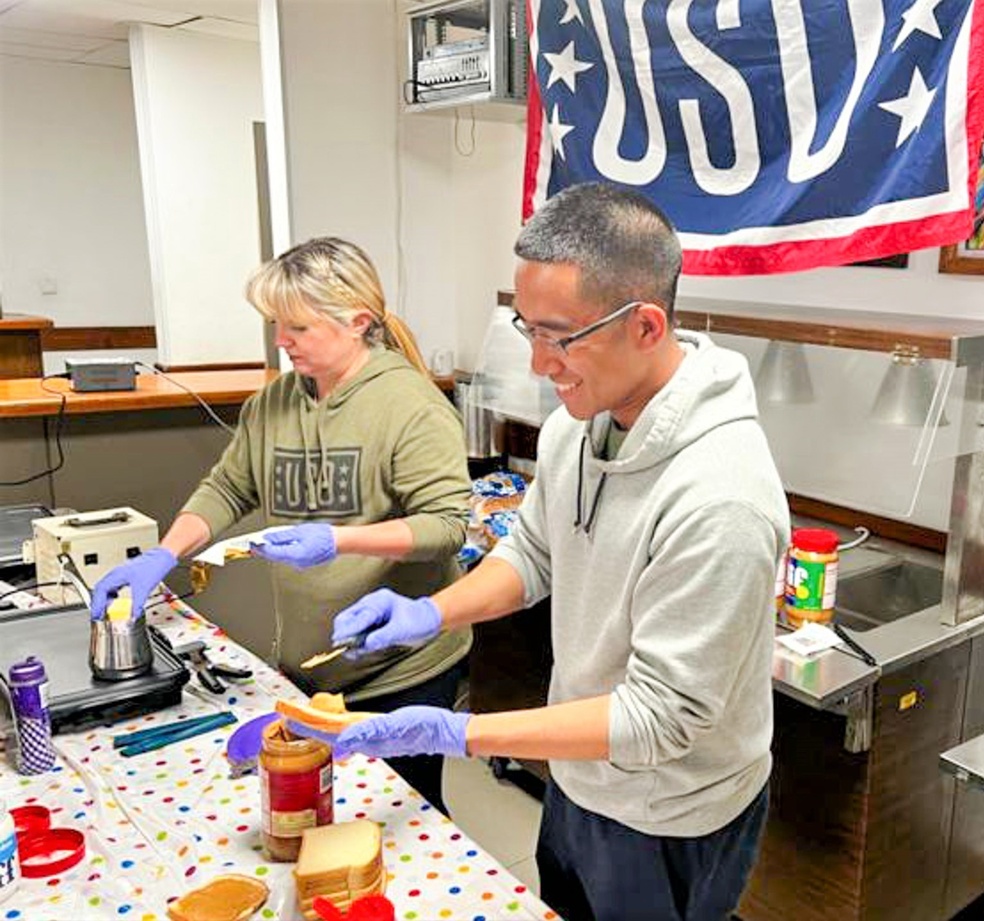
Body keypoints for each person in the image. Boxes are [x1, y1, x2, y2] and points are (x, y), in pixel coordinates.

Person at [288, 184, 791, 921]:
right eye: (528, 328)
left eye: (559, 336)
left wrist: (458, 730)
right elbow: (532, 554)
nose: (538, 362)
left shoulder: (722, 496)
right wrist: (430, 611)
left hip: (671, 812)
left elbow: (658, 720)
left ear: (646, 325)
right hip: (580, 774)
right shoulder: (577, 427)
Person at [90, 236, 472, 814]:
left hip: (400, 672)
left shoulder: (411, 407)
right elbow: (227, 487)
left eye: (297, 327)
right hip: (309, 669)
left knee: (401, 829)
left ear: (357, 321)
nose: (280, 341)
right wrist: (163, 555)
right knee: (323, 817)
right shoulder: (273, 405)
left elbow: (446, 528)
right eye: (276, 324)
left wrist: (338, 540)